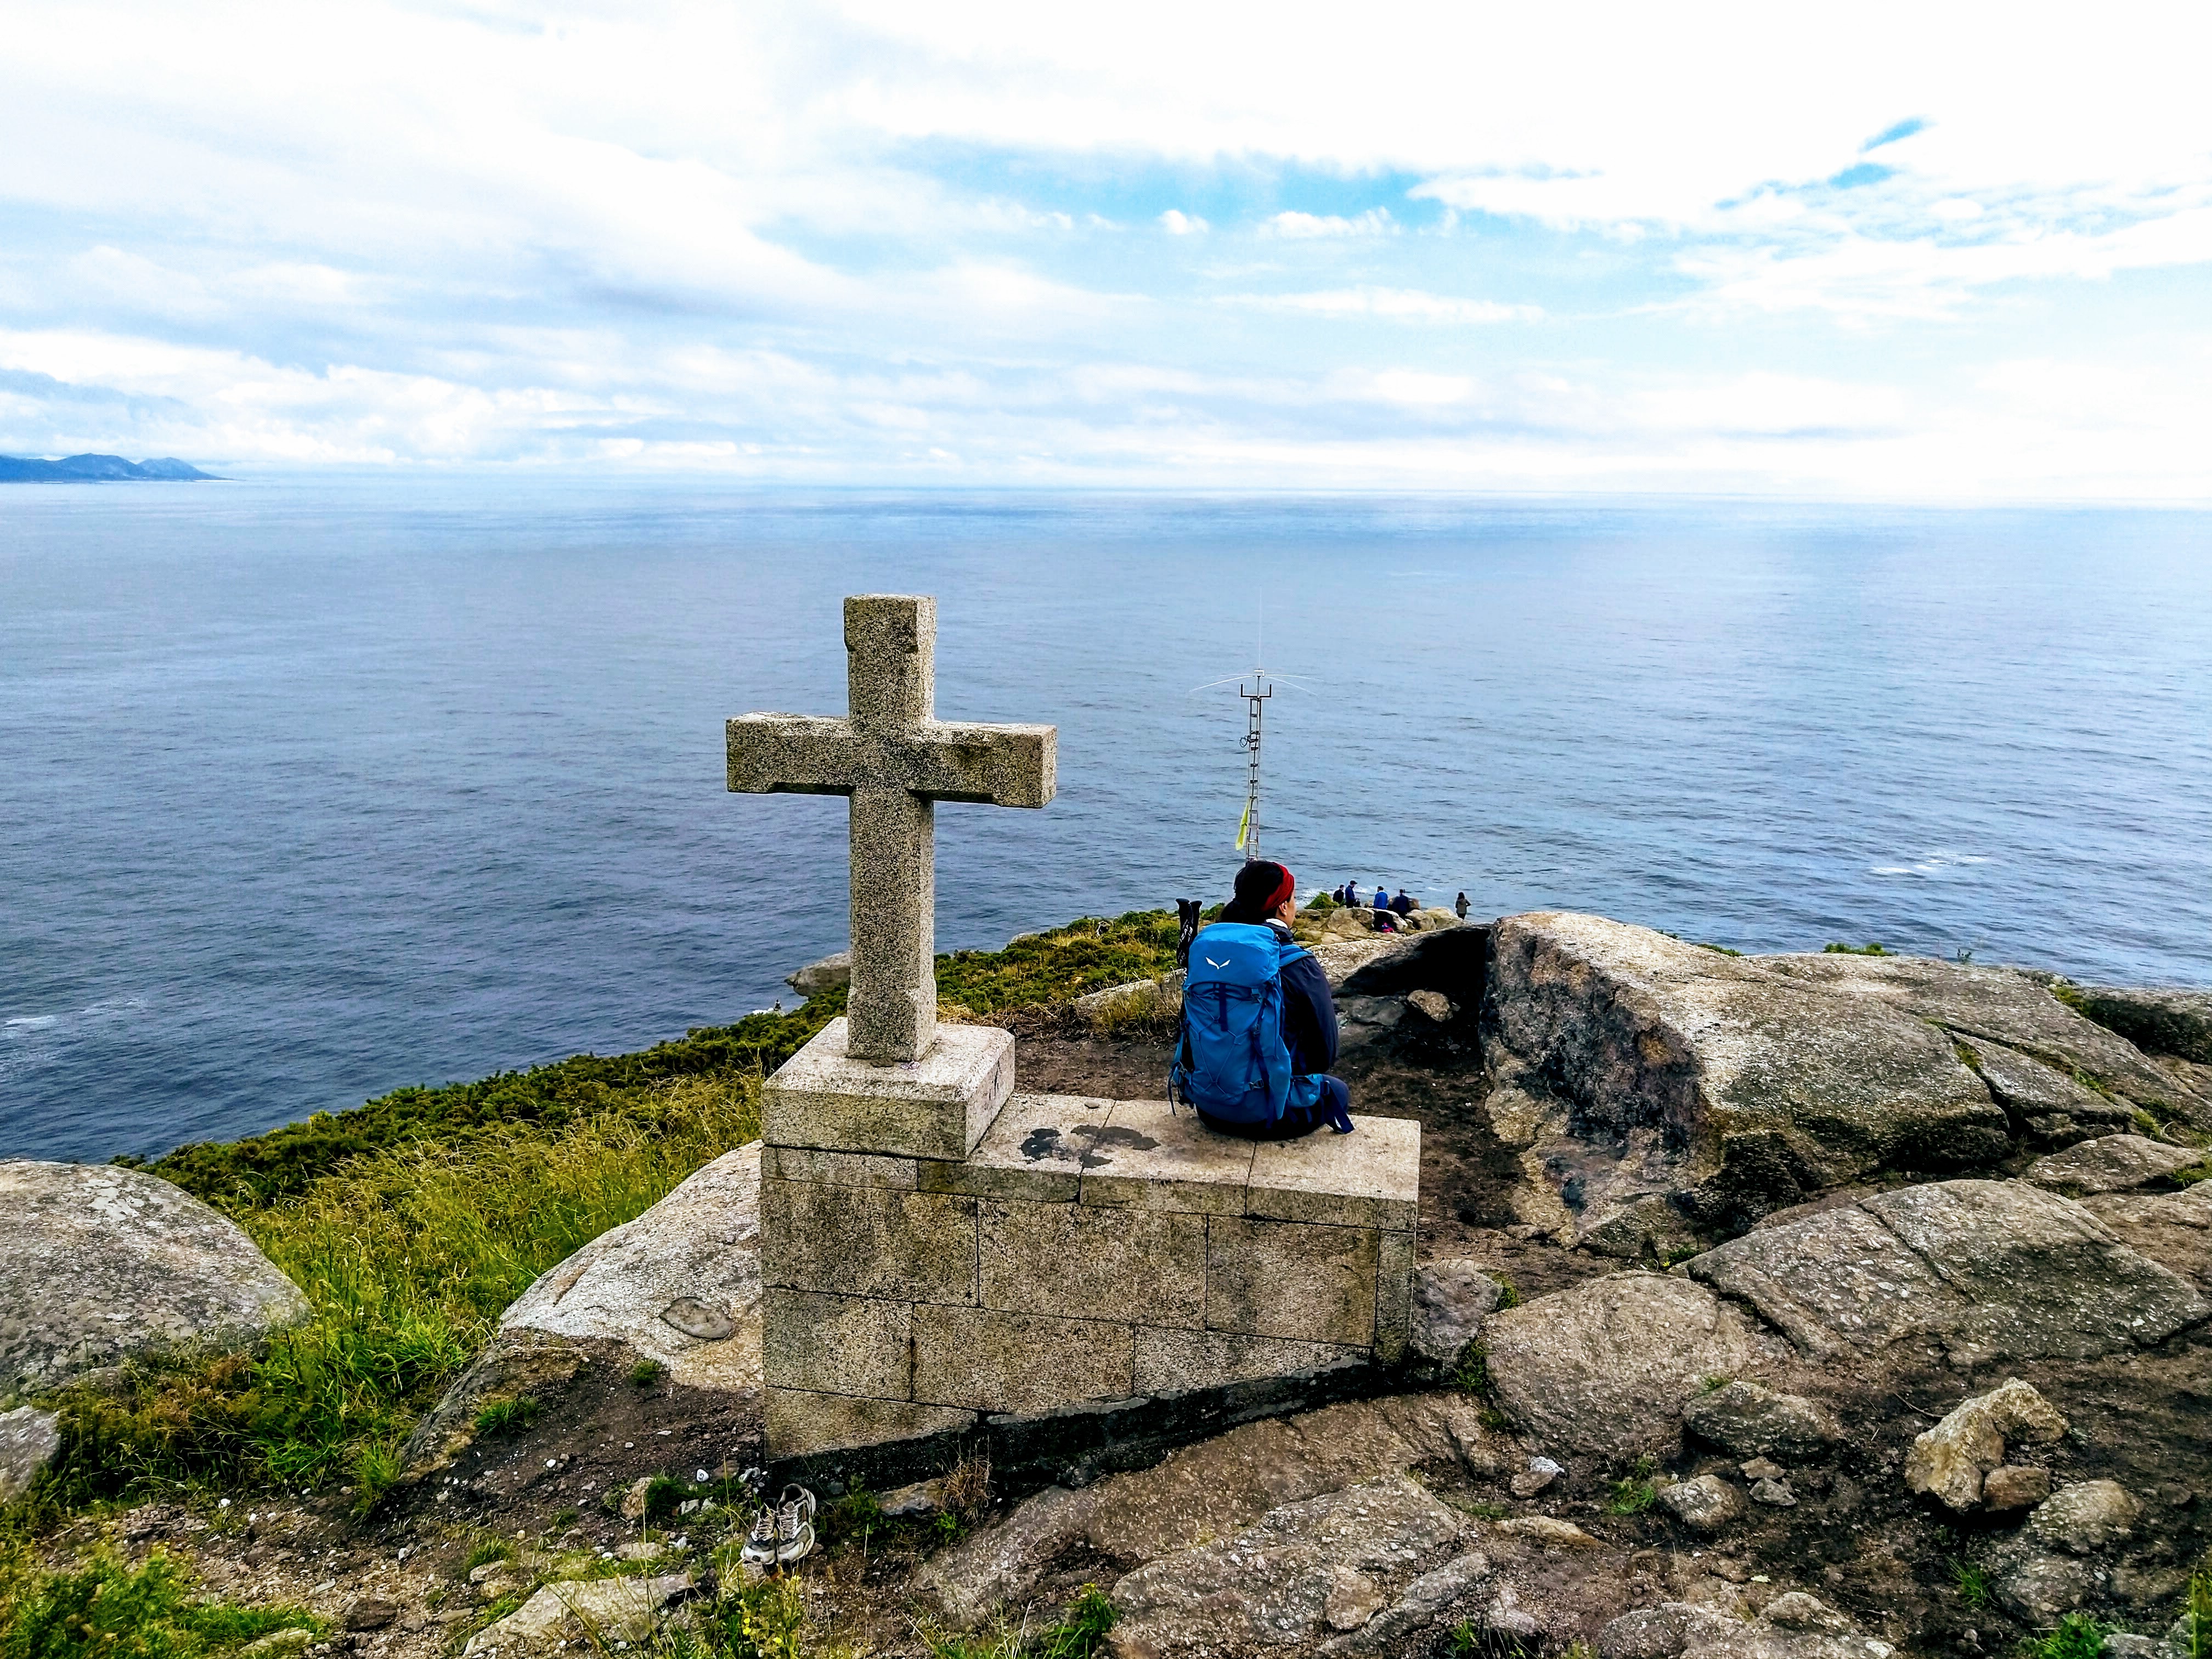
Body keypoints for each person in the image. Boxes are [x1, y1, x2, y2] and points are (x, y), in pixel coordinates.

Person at [1172, 860, 1352, 1140]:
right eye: (1293, 900)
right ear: (1282, 907)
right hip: (1268, 1116)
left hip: (1208, 1108)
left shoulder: (1208, 956)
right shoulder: (1297, 965)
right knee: (1337, 1090)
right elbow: (1323, 1056)